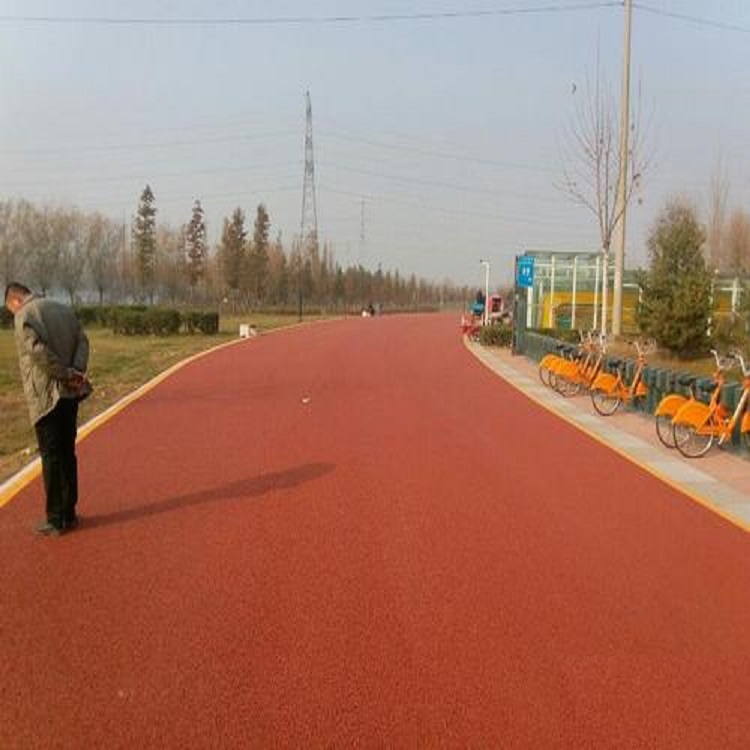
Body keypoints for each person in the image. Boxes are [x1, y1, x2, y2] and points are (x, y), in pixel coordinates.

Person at [4, 282, 92, 536]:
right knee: (67, 452)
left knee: (51, 455)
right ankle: (69, 512)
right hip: (70, 393)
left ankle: (55, 518)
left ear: (15, 301)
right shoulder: (63, 309)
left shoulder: (24, 316)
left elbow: (38, 352)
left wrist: (64, 374)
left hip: (46, 396)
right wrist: (76, 372)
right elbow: (82, 340)